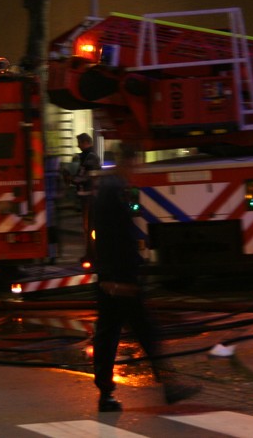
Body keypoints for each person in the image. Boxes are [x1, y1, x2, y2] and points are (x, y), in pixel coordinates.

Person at [91, 143, 198, 412]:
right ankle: (169, 386)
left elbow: (104, 236)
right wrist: (119, 277)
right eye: (135, 163)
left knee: (112, 334)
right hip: (120, 279)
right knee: (143, 332)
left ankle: (107, 393)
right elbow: (116, 237)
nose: (136, 169)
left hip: (114, 277)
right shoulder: (115, 191)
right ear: (128, 161)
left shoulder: (108, 189)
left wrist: (107, 275)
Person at [71, 132, 101, 263]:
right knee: (88, 228)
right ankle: (90, 253)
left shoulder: (90, 157)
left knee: (90, 228)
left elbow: (85, 176)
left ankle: (93, 254)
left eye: (79, 143)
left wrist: (73, 180)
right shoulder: (87, 156)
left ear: (85, 142)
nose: (78, 146)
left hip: (90, 197)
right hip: (88, 197)